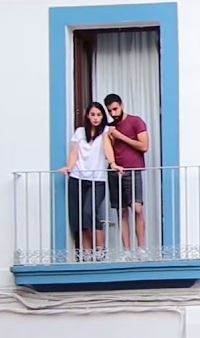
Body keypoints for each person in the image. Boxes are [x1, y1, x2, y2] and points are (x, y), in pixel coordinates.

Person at [60, 101, 119, 259]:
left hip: (97, 179)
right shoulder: (80, 132)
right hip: (77, 177)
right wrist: (69, 167)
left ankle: (100, 250)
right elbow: (74, 153)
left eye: (99, 115)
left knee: (89, 212)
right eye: (92, 114)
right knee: (80, 216)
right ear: (87, 116)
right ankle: (87, 252)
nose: (95, 118)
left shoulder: (105, 131)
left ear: (102, 117)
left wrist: (112, 163)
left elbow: (107, 148)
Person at [104, 93, 149, 252]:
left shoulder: (136, 121)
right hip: (115, 172)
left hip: (133, 170)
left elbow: (144, 146)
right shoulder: (109, 128)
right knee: (121, 212)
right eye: (110, 111)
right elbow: (107, 150)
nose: (113, 113)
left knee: (137, 208)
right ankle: (127, 251)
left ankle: (142, 249)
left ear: (122, 105)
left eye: (115, 109)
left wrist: (120, 136)